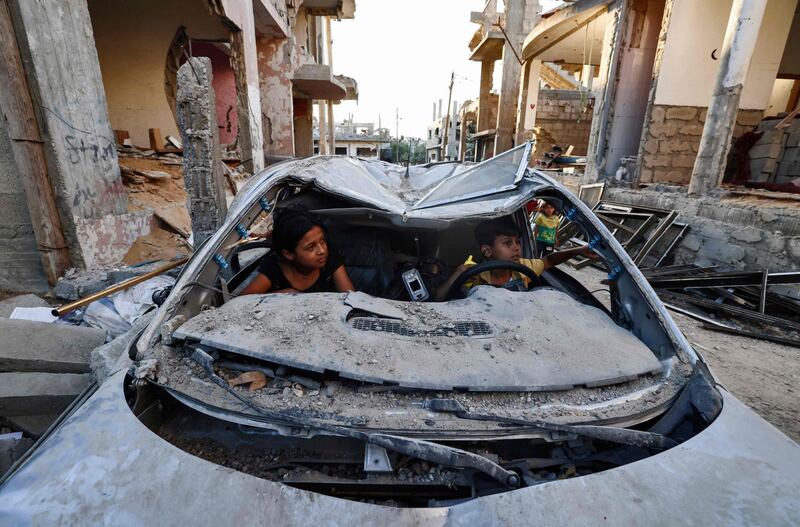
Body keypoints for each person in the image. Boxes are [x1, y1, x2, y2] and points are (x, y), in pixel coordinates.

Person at [437, 217, 598, 298]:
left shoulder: (524, 268)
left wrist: (578, 250)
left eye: (518, 242)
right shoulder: (474, 276)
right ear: (487, 251)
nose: (516, 247)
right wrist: (457, 275)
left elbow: (549, 260)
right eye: (508, 243)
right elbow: (439, 299)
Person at [241, 206, 355, 295]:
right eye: (311, 247)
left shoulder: (329, 258)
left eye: (322, 241)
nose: (322, 250)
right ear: (289, 254)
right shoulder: (274, 269)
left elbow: (351, 297)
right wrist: (281, 295)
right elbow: (240, 302)